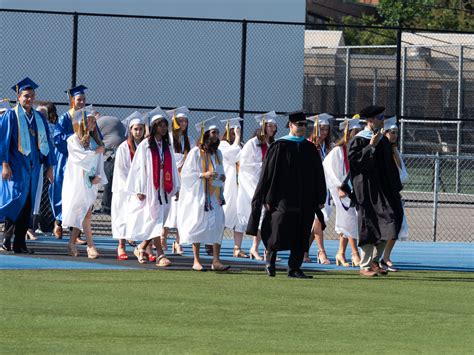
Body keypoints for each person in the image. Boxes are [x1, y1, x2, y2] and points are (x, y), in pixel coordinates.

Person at [246, 111, 326, 278]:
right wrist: (267, 196)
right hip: (282, 197)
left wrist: (320, 197)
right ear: (290, 125)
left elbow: (318, 174)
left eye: (305, 125)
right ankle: (270, 261)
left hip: (305, 196)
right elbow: (268, 174)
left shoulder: (310, 148)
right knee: (278, 226)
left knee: (302, 229)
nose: (303, 128)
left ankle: (294, 268)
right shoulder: (280, 146)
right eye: (299, 124)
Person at [0, 78, 55, 253]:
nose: (29, 99)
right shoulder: (11, 115)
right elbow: (3, 141)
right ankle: (7, 239)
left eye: (31, 96)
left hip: (33, 168)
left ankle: (20, 243)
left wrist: (50, 166)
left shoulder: (38, 117)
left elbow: (47, 143)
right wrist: (5, 164)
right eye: (25, 96)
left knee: (28, 205)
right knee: (15, 202)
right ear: (18, 96)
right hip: (16, 167)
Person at [348, 105, 404, 277]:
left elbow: (390, 167)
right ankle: (365, 265)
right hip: (366, 188)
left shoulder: (384, 140)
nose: (382, 120)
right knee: (369, 224)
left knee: (391, 220)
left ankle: (375, 260)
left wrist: (396, 189)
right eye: (380, 118)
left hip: (384, 189)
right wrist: (370, 147)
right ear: (370, 120)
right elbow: (355, 164)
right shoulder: (359, 139)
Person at [125, 108, 180, 267]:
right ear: (154, 126)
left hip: (165, 187)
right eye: (160, 125)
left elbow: (173, 167)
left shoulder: (166, 145)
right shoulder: (146, 145)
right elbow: (139, 167)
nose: (163, 128)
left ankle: (141, 247)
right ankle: (160, 255)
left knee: (159, 220)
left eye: (165, 125)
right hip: (150, 187)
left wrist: (176, 187)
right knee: (155, 220)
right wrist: (140, 189)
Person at [177, 117, 229, 271]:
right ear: (205, 135)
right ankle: (196, 260)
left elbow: (220, 170)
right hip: (200, 195)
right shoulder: (195, 152)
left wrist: (223, 177)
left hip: (215, 195)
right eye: (213, 132)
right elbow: (186, 174)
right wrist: (202, 175)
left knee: (218, 225)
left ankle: (216, 261)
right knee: (198, 225)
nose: (216, 135)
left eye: (217, 132)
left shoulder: (218, 153)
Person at [62, 105, 107, 259]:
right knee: (85, 214)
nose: (92, 125)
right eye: (89, 121)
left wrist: (100, 176)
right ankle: (91, 246)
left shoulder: (95, 140)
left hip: (91, 183)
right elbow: (80, 158)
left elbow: (99, 161)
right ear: (81, 123)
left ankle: (71, 244)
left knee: (82, 213)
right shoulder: (72, 140)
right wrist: (96, 152)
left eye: (94, 122)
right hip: (77, 182)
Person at [237, 111, 278, 260]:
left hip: (268, 184)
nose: (272, 128)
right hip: (253, 183)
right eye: (270, 126)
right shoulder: (252, 143)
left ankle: (260, 248)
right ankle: (254, 248)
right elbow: (245, 164)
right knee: (261, 213)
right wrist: (264, 165)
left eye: (274, 126)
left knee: (268, 215)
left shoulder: (272, 143)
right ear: (263, 126)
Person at [322, 116, 362, 267]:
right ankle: (355, 254)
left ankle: (340, 253)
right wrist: (339, 187)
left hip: (353, 190)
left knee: (349, 220)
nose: (357, 134)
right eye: (355, 131)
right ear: (348, 133)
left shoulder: (356, 149)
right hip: (341, 190)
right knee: (351, 218)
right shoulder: (338, 150)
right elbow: (329, 169)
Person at [51, 85, 88, 241]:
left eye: (84, 100)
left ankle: (75, 232)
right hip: (65, 160)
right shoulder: (65, 118)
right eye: (79, 100)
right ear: (72, 101)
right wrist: (75, 140)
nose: (82, 102)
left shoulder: (86, 118)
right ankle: (58, 223)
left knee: (78, 194)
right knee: (62, 191)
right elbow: (57, 138)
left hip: (80, 161)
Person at [111, 111, 146, 260]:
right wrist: (133, 188)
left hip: (140, 189)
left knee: (141, 218)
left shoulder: (145, 146)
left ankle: (145, 249)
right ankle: (121, 246)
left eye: (141, 129)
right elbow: (121, 171)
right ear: (130, 130)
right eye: (135, 129)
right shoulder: (124, 148)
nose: (138, 132)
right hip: (124, 190)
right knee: (123, 217)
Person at [380, 116, 409, 272]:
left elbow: (403, 175)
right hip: (384, 195)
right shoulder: (382, 151)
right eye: (392, 132)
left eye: (396, 132)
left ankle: (386, 257)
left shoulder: (395, 151)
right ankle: (378, 259)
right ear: (385, 133)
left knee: (397, 227)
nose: (395, 135)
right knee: (387, 227)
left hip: (395, 194)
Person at [305, 113, 334, 264]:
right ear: (315, 128)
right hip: (312, 186)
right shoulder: (309, 144)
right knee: (318, 219)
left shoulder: (328, 146)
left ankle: (304, 251)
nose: (324, 132)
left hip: (326, 187)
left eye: (326, 129)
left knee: (319, 221)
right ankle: (321, 252)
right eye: (321, 129)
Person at [163, 106, 191, 255]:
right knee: (167, 209)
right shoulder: (168, 138)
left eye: (185, 120)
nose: (183, 123)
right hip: (170, 177)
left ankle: (178, 242)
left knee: (181, 212)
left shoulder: (189, 140)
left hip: (183, 180)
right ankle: (163, 238)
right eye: (180, 120)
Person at [219, 117, 248, 258]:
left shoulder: (240, 144)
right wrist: (237, 139)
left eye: (237, 131)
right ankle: (214, 243)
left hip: (240, 185)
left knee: (239, 216)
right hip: (229, 186)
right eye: (233, 131)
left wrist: (238, 141)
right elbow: (231, 156)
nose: (235, 133)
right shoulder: (222, 144)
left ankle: (237, 248)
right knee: (225, 214)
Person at [96, 113, 126, 214]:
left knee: (107, 181)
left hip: (109, 154)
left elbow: (94, 137)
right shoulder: (115, 119)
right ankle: (113, 206)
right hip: (119, 152)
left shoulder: (99, 122)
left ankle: (106, 207)